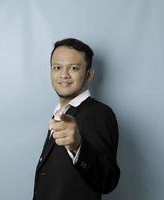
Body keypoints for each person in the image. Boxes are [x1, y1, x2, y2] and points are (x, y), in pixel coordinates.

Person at [33, 38, 120, 200]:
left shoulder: (99, 113)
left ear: (89, 74)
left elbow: (108, 180)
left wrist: (78, 146)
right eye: (57, 67)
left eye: (73, 68)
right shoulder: (60, 112)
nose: (64, 75)